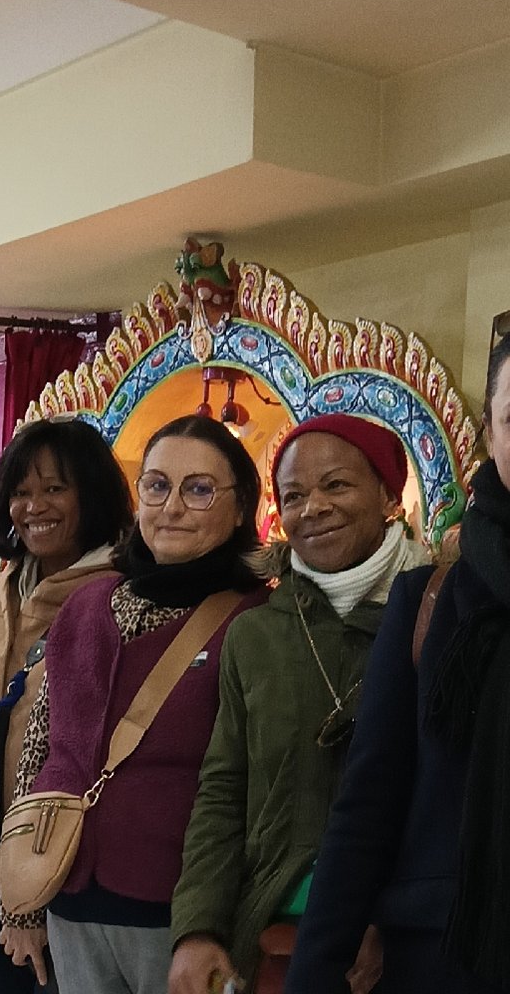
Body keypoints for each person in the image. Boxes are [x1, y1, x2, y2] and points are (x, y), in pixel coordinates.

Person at [1, 414, 268, 994]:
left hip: (181, 915)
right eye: (156, 485)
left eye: (198, 489)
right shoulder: (88, 604)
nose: (171, 506)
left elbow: (255, 786)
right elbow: (41, 748)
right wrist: (20, 899)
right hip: (70, 896)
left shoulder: (257, 621)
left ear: (241, 504)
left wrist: (218, 921)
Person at [168, 412, 430, 994]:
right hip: (265, 930)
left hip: (398, 940)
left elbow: (445, 805)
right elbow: (222, 791)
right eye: (294, 495)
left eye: (336, 485)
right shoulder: (256, 635)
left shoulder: (434, 618)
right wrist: (197, 929)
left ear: (389, 495)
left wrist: (387, 911)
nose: (312, 508)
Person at [286, 337, 510, 994]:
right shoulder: (432, 603)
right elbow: (370, 802)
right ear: (491, 437)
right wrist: (316, 972)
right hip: (450, 956)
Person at [0, 416, 134, 994]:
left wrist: (31, 901)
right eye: (20, 491)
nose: (33, 506)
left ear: (90, 493)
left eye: (54, 488)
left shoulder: (119, 601)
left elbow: (93, 760)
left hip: (66, 884)